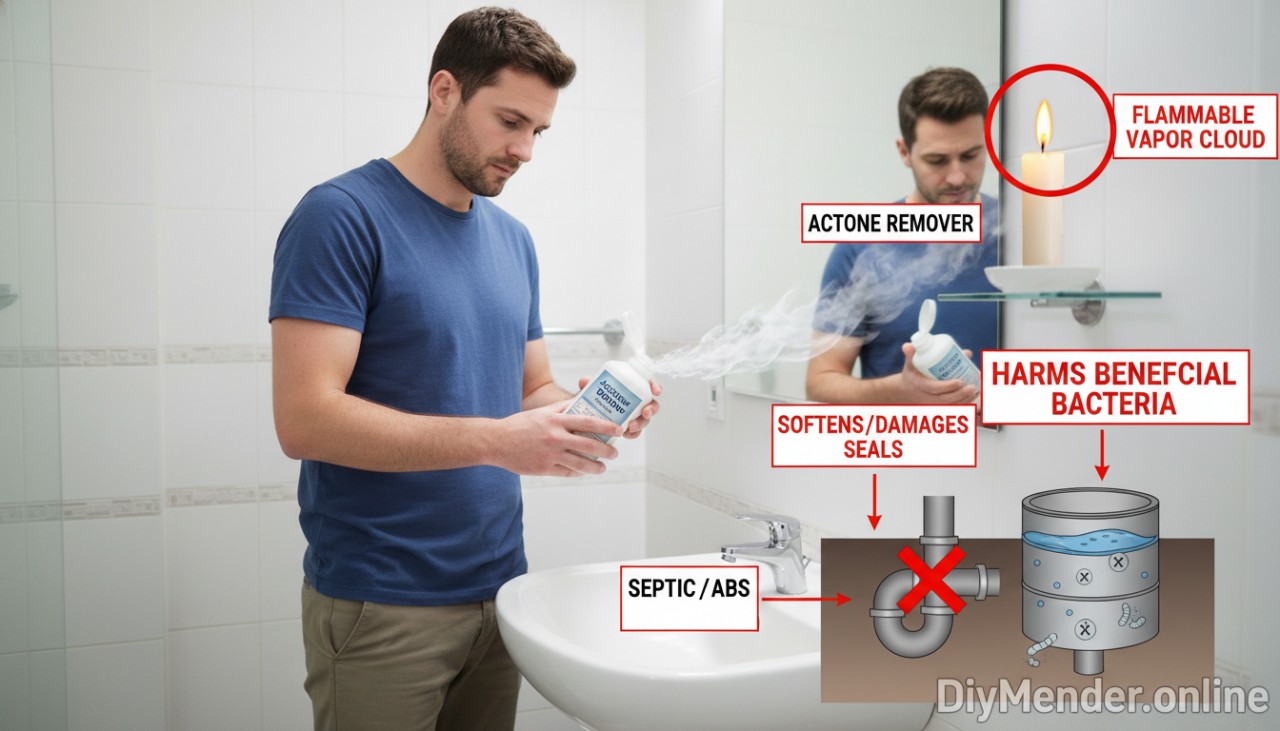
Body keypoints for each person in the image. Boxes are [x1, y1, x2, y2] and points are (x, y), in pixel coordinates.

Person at [269, 8, 660, 730]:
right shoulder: (341, 216)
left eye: (538, 131)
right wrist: (495, 441)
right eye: (510, 121)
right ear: (444, 90)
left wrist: (594, 410)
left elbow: (531, 391)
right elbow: (304, 420)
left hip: (500, 590)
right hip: (381, 603)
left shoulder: (513, 241)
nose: (525, 150)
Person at [806, 66, 998, 404]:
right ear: (904, 152)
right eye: (937, 160)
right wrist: (899, 390)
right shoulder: (862, 246)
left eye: (970, 156)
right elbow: (821, 381)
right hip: (908, 451)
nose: (956, 177)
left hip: (1016, 454)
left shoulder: (1019, 232)